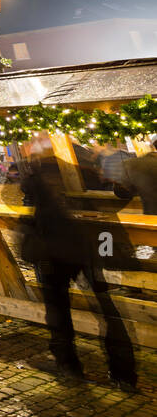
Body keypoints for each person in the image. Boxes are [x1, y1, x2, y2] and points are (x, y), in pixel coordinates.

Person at [17, 137, 138, 389]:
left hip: (54, 250)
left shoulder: (37, 174)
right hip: (88, 246)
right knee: (106, 309)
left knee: (58, 310)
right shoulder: (85, 169)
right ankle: (123, 372)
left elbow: (24, 194)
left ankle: (68, 365)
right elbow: (121, 191)